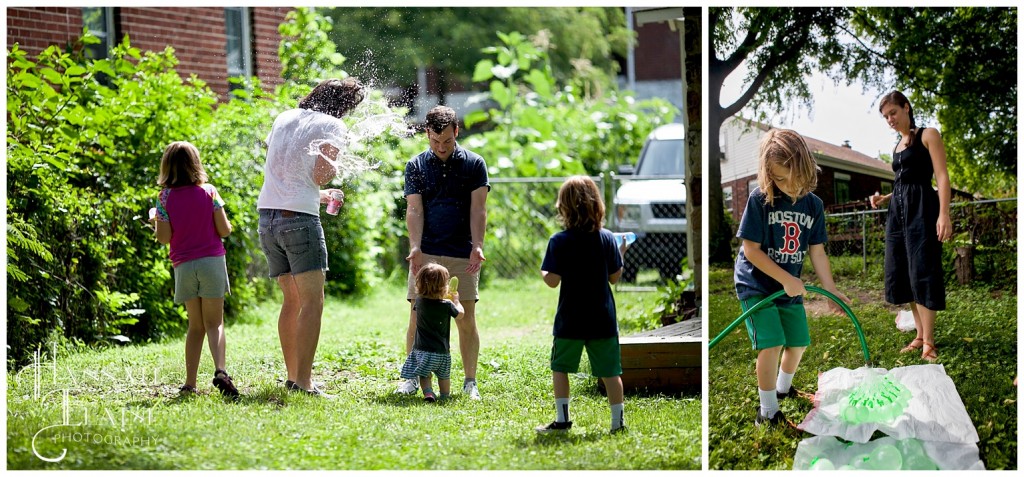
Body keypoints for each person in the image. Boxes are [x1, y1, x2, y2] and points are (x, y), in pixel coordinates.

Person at [734, 129, 851, 427]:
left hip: (789, 286)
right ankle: (768, 411)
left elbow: (818, 252)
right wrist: (785, 278)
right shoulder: (760, 200)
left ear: (807, 167)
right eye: (779, 179)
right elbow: (750, 250)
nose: (788, 186)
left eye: (793, 177)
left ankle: (783, 389)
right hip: (756, 284)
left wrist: (831, 290)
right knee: (771, 343)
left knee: (797, 342)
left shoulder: (814, 206)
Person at [257, 78, 365, 396]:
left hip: (268, 217)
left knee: (291, 301)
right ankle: (304, 383)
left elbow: (284, 172)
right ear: (342, 106)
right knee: (313, 302)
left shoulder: (284, 117)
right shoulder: (332, 125)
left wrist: (319, 195)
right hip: (299, 223)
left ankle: (293, 377)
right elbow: (320, 174)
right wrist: (337, 159)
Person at [398, 106, 489, 399]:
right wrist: (415, 247)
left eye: (447, 142)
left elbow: (479, 209)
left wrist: (477, 245)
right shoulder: (415, 165)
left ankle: (470, 381)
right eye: (435, 141)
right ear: (427, 134)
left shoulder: (475, 164)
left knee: (465, 317)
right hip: (427, 255)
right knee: (417, 316)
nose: (441, 148)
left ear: (456, 132)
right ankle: (411, 379)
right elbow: (414, 208)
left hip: (462, 251)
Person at [536, 175, 628, 434]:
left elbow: (552, 281)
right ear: (597, 205)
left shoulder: (559, 241)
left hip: (570, 321)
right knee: (610, 373)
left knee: (560, 368)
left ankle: (563, 420)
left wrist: (543, 271)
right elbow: (614, 276)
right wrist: (619, 257)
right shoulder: (608, 238)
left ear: (563, 207)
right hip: (603, 320)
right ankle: (617, 424)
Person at [869, 91, 952, 363]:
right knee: (904, 272)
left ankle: (929, 342)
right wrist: (884, 198)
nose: (889, 119)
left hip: (923, 212)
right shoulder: (898, 146)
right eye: (885, 117)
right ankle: (918, 335)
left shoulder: (928, 135)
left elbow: (940, 176)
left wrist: (944, 215)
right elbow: (902, 184)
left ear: (906, 108)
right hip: (898, 216)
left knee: (923, 270)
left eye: (893, 113)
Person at [152, 141, 238, 399]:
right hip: (212, 261)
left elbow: (164, 238)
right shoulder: (209, 192)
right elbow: (223, 230)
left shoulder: (164, 198)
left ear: (167, 166)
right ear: (196, 163)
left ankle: (190, 383)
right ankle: (221, 371)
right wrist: (228, 224)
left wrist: (156, 220)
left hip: (185, 265)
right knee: (215, 323)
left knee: (195, 326)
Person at [399, 263, 465, 402]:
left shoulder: (419, 302)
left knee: (424, 375)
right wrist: (456, 301)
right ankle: (445, 396)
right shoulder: (447, 305)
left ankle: (428, 393)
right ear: (443, 287)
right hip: (442, 352)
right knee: (443, 376)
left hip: (422, 351)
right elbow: (460, 315)